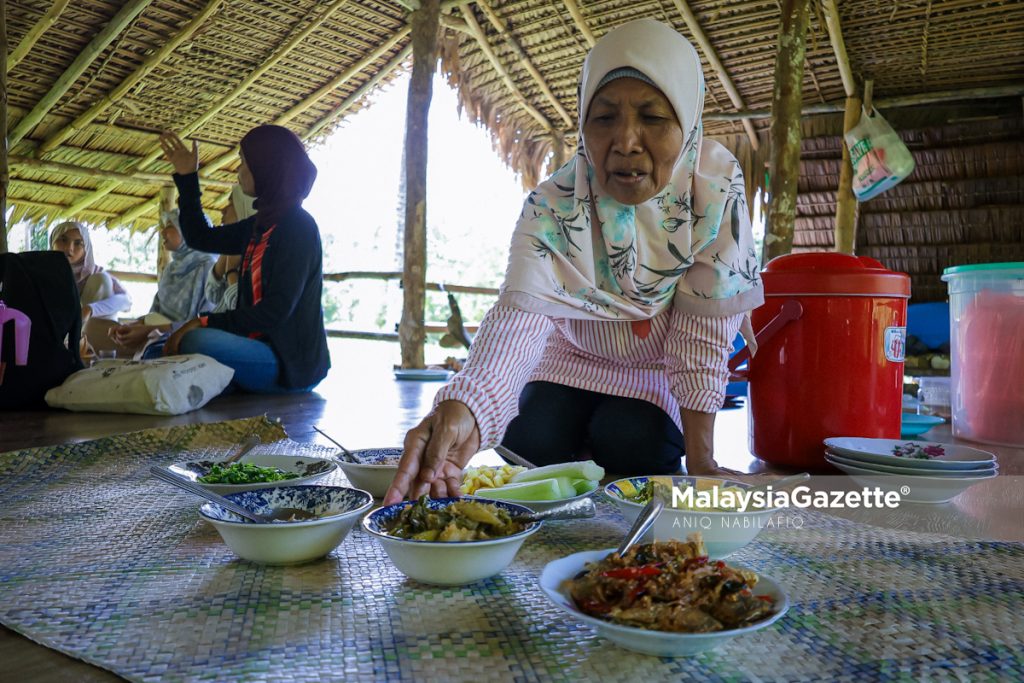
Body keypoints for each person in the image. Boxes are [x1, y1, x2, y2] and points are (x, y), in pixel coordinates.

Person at [385, 19, 763, 504]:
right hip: (569, 359)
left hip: (656, 372)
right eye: (604, 118)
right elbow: (518, 321)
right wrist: (464, 406)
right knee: (531, 438)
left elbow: (700, 340)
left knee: (633, 441)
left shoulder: (712, 198)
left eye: (652, 117)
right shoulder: (554, 206)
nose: (626, 141)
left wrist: (703, 463)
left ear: (687, 123)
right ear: (583, 123)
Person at [157, 124, 330, 393]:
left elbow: (275, 312)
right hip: (255, 347)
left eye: (244, 162)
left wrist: (202, 321)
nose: (239, 171)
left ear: (267, 167)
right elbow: (200, 237)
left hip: (289, 364)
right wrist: (188, 177)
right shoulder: (260, 225)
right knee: (162, 347)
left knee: (196, 343)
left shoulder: (299, 228)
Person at [109, 210, 217, 354]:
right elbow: (155, 313)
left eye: (170, 225)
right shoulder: (171, 270)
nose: (163, 232)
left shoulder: (209, 268)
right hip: (157, 337)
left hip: (189, 344)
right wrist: (133, 326)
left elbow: (206, 322)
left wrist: (149, 330)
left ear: (188, 231)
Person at [49, 221, 132, 356]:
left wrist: (90, 309)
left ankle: (93, 351)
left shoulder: (94, 271)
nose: (69, 248)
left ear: (86, 248)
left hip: (95, 334)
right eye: (63, 240)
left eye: (78, 243)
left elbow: (126, 301)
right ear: (52, 242)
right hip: (60, 337)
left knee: (101, 280)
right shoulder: (45, 273)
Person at [205, 185, 255, 314]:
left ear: (244, 208)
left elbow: (240, 309)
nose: (223, 210)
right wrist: (226, 254)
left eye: (232, 203)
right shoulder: (236, 249)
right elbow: (213, 295)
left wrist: (231, 271)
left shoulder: (258, 255)